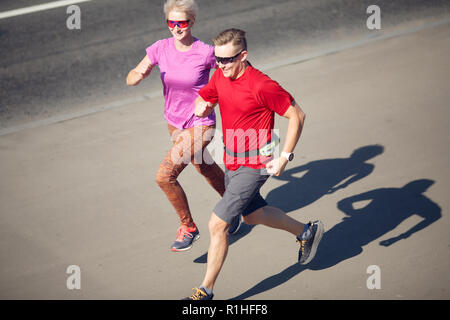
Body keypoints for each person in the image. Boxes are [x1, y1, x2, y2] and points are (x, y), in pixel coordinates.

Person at [183, 28, 324, 300]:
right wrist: (203, 104)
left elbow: (298, 116)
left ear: (243, 56)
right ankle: (307, 231)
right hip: (232, 159)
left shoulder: (261, 85)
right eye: (217, 59)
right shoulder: (220, 76)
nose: (221, 65)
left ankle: (205, 291)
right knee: (252, 215)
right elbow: (208, 96)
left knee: (217, 224)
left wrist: (285, 156)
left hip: (258, 161)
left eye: (228, 60)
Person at [126, 0, 240, 252]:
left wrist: (213, 99)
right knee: (205, 167)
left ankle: (188, 227)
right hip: (174, 122)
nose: (177, 28)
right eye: (172, 23)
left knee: (165, 177)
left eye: (182, 23)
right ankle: (236, 207)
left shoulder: (205, 52)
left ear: (192, 22)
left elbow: (233, 73)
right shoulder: (160, 48)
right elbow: (133, 73)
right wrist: (137, 76)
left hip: (201, 124)